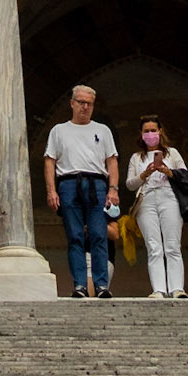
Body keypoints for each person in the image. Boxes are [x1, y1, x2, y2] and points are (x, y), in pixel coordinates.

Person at [44, 84, 120, 299]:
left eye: (89, 104)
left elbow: (112, 161)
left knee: (99, 234)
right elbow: (50, 161)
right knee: (75, 236)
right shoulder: (59, 130)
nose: (85, 107)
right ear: (72, 103)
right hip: (68, 183)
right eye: (81, 103)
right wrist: (51, 190)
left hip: (97, 184)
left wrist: (113, 189)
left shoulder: (102, 130)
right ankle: (80, 284)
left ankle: (101, 284)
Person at [125, 115, 188, 300]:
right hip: (146, 200)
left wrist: (168, 171)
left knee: (172, 245)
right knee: (154, 246)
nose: (150, 134)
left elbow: (185, 175)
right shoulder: (137, 157)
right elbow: (129, 184)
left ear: (160, 132)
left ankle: (177, 288)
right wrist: (145, 173)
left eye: (153, 130)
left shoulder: (172, 153)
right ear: (141, 134)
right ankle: (159, 289)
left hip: (169, 198)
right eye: (146, 131)